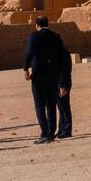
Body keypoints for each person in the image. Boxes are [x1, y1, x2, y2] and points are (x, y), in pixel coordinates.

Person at [24, 16, 69, 144]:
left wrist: (26, 68)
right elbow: (62, 56)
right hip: (53, 75)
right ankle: (51, 133)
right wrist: (59, 73)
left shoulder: (34, 36)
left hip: (38, 75)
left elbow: (29, 53)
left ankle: (44, 133)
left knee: (39, 105)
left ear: (37, 25)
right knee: (51, 105)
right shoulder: (56, 36)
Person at [56, 41, 74, 140]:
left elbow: (63, 71)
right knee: (61, 107)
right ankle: (61, 130)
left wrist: (62, 85)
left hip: (63, 83)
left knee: (64, 107)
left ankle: (66, 130)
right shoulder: (62, 52)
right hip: (62, 83)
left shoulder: (62, 54)